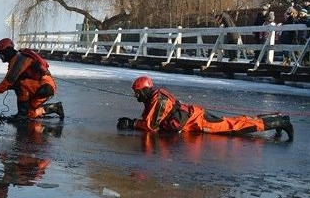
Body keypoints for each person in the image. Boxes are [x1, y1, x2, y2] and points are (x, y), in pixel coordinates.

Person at [116, 76, 293, 140]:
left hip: (198, 121)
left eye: (137, 92)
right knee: (233, 124)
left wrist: (132, 124)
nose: (135, 96)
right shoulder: (153, 99)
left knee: (234, 127)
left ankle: (280, 122)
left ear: (145, 90)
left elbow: (151, 127)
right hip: (192, 119)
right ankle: (275, 122)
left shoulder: (159, 101)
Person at [0, 38, 64, 120]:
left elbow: (9, 81)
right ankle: (55, 108)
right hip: (40, 85)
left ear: (7, 51)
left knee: (18, 84)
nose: (0, 56)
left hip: (45, 87)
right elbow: (10, 82)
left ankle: (22, 114)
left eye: (1, 53)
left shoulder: (20, 60)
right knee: (30, 114)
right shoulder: (16, 59)